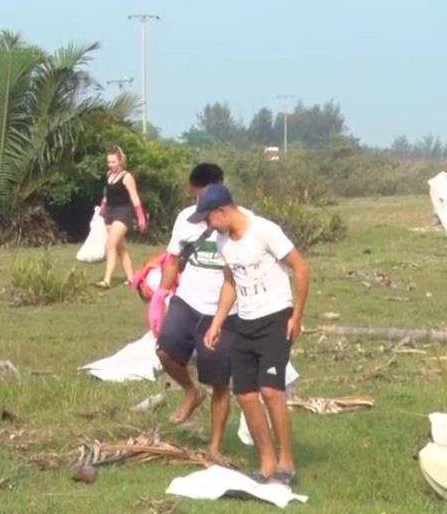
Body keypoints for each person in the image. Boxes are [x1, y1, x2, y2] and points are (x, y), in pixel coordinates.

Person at [198, 184, 310, 485]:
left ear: (223, 211)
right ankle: (267, 461)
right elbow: (230, 284)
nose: (207, 226)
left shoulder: (264, 230)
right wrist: (216, 323)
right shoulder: (223, 242)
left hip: (275, 318)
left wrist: (296, 315)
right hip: (245, 321)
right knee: (245, 395)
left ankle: (286, 461)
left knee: (271, 391)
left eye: (208, 218)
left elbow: (300, 268)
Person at [152, 164, 238, 462]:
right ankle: (190, 391)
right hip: (186, 301)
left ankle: (215, 446)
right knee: (164, 351)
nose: (197, 201)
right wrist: (160, 297)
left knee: (218, 381)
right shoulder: (184, 220)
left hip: (223, 311)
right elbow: (173, 260)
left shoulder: (238, 224)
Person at [97, 147, 147, 288]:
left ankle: (106, 280)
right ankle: (132, 278)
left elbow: (134, 197)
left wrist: (140, 216)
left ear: (120, 161)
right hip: (109, 213)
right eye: (108, 162)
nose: (111, 165)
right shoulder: (108, 175)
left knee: (110, 245)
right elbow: (107, 195)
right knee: (120, 248)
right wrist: (102, 208)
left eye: (113, 162)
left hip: (123, 213)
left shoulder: (127, 177)